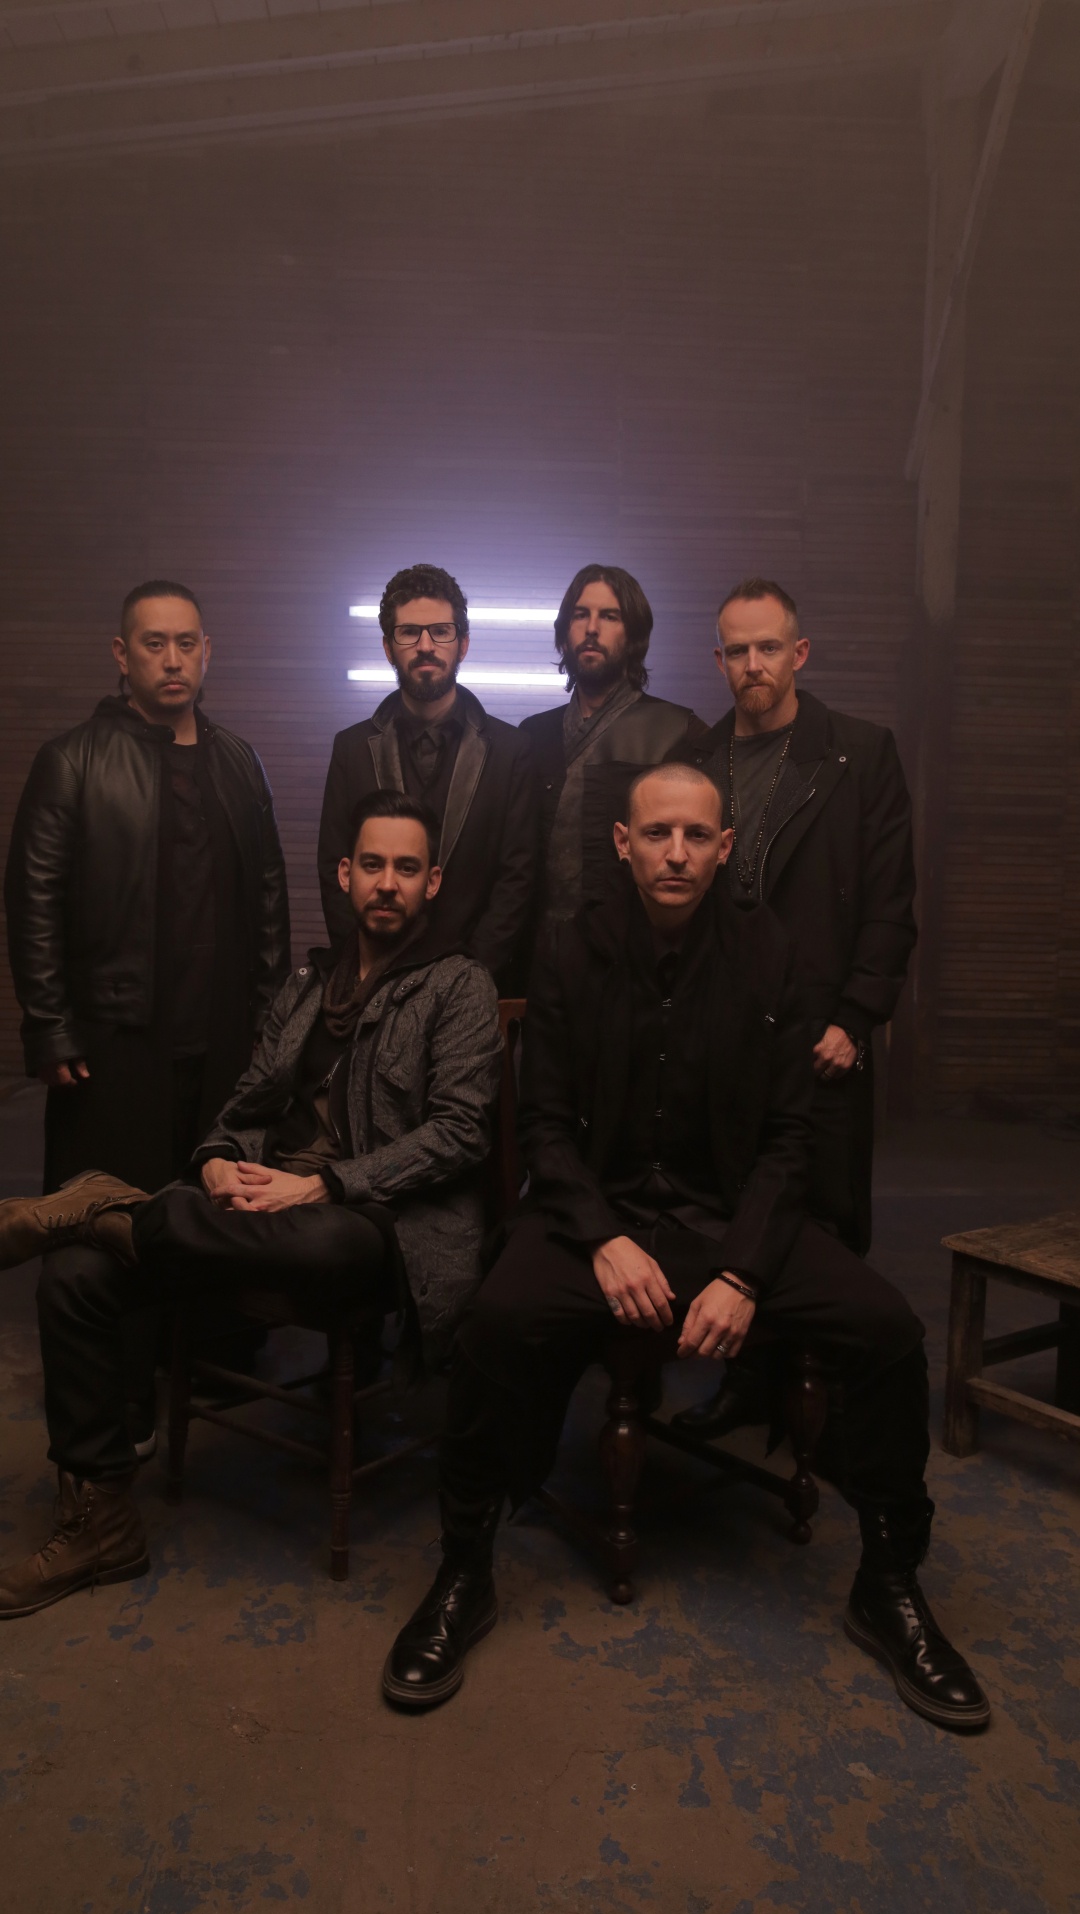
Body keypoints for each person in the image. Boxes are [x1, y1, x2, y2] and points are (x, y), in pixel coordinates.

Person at [381, 765, 988, 1733]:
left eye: (697, 836)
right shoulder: (571, 949)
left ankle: (889, 1582)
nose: (676, 854)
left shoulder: (772, 951)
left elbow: (791, 1137)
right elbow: (545, 1128)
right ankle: (465, 1570)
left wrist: (745, 1270)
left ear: (725, 847)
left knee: (886, 1329)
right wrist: (604, 1239)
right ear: (623, 844)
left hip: (729, 1220)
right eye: (657, 834)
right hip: (601, 1216)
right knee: (492, 1323)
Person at [0, 791, 503, 1619]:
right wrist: (214, 1163)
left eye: (407, 868)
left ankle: (102, 1208)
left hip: (377, 1221)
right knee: (76, 1277)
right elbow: (243, 1106)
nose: (387, 883)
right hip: (254, 1211)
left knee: (322, 1246)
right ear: (344, 874)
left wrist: (329, 1184)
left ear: (433, 881)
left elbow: (460, 1134)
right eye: (372, 865)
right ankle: (100, 1522)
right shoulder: (307, 984)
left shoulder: (461, 986)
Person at [4, 579, 291, 1452]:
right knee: (109, 1226)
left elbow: (270, 899)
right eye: (155, 643)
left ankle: (203, 1369)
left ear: (208, 654)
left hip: (223, 1042)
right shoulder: (73, 760)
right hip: (113, 1041)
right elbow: (33, 899)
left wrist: (273, 1030)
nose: (173, 660)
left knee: (208, 1213)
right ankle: (118, 1404)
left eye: (187, 643)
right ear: (122, 655)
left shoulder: (239, 761)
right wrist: (49, 1025)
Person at [669, 577, 917, 1440]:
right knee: (735, 1208)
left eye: (768, 647)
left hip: (821, 1032)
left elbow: (891, 904)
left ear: (799, 653)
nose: (753, 664)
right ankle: (749, 1385)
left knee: (824, 1216)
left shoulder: (859, 754)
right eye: (737, 650)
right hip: (724, 1033)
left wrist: (857, 1018)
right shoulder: (695, 758)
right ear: (719, 660)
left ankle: (832, 1408)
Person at [318, 563, 537, 988]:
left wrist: (468, 982)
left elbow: (516, 880)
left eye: (440, 631)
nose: (425, 646)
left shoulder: (512, 751)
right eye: (408, 633)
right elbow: (335, 872)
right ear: (388, 647)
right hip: (372, 988)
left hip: (472, 985)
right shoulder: (351, 749)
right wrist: (368, 975)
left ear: (463, 644)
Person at [519, 565, 708, 929]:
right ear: (564, 635)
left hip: (631, 945)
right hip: (539, 945)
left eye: (609, 616)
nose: (592, 628)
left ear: (633, 636)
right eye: (580, 615)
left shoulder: (678, 732)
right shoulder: (532, 735)